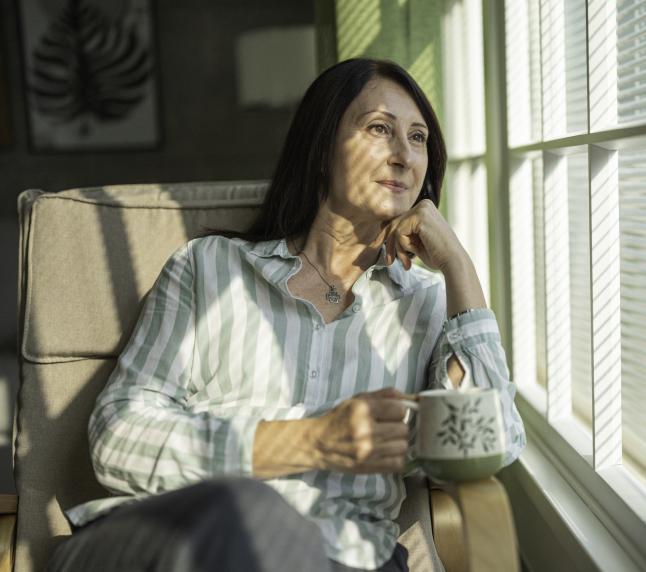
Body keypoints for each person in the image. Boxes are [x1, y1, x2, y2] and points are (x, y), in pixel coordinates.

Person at [47, 58, 526, 572]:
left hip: (345, 558)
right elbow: (117, 438)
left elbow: (490, 444)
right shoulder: (208, 269)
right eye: (380, 129)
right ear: (321, 148)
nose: (404, 156)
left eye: (418, 138)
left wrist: (458, 264)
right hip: (179, 541)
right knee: (246, 515)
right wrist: (315, 441)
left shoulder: (429, 304)